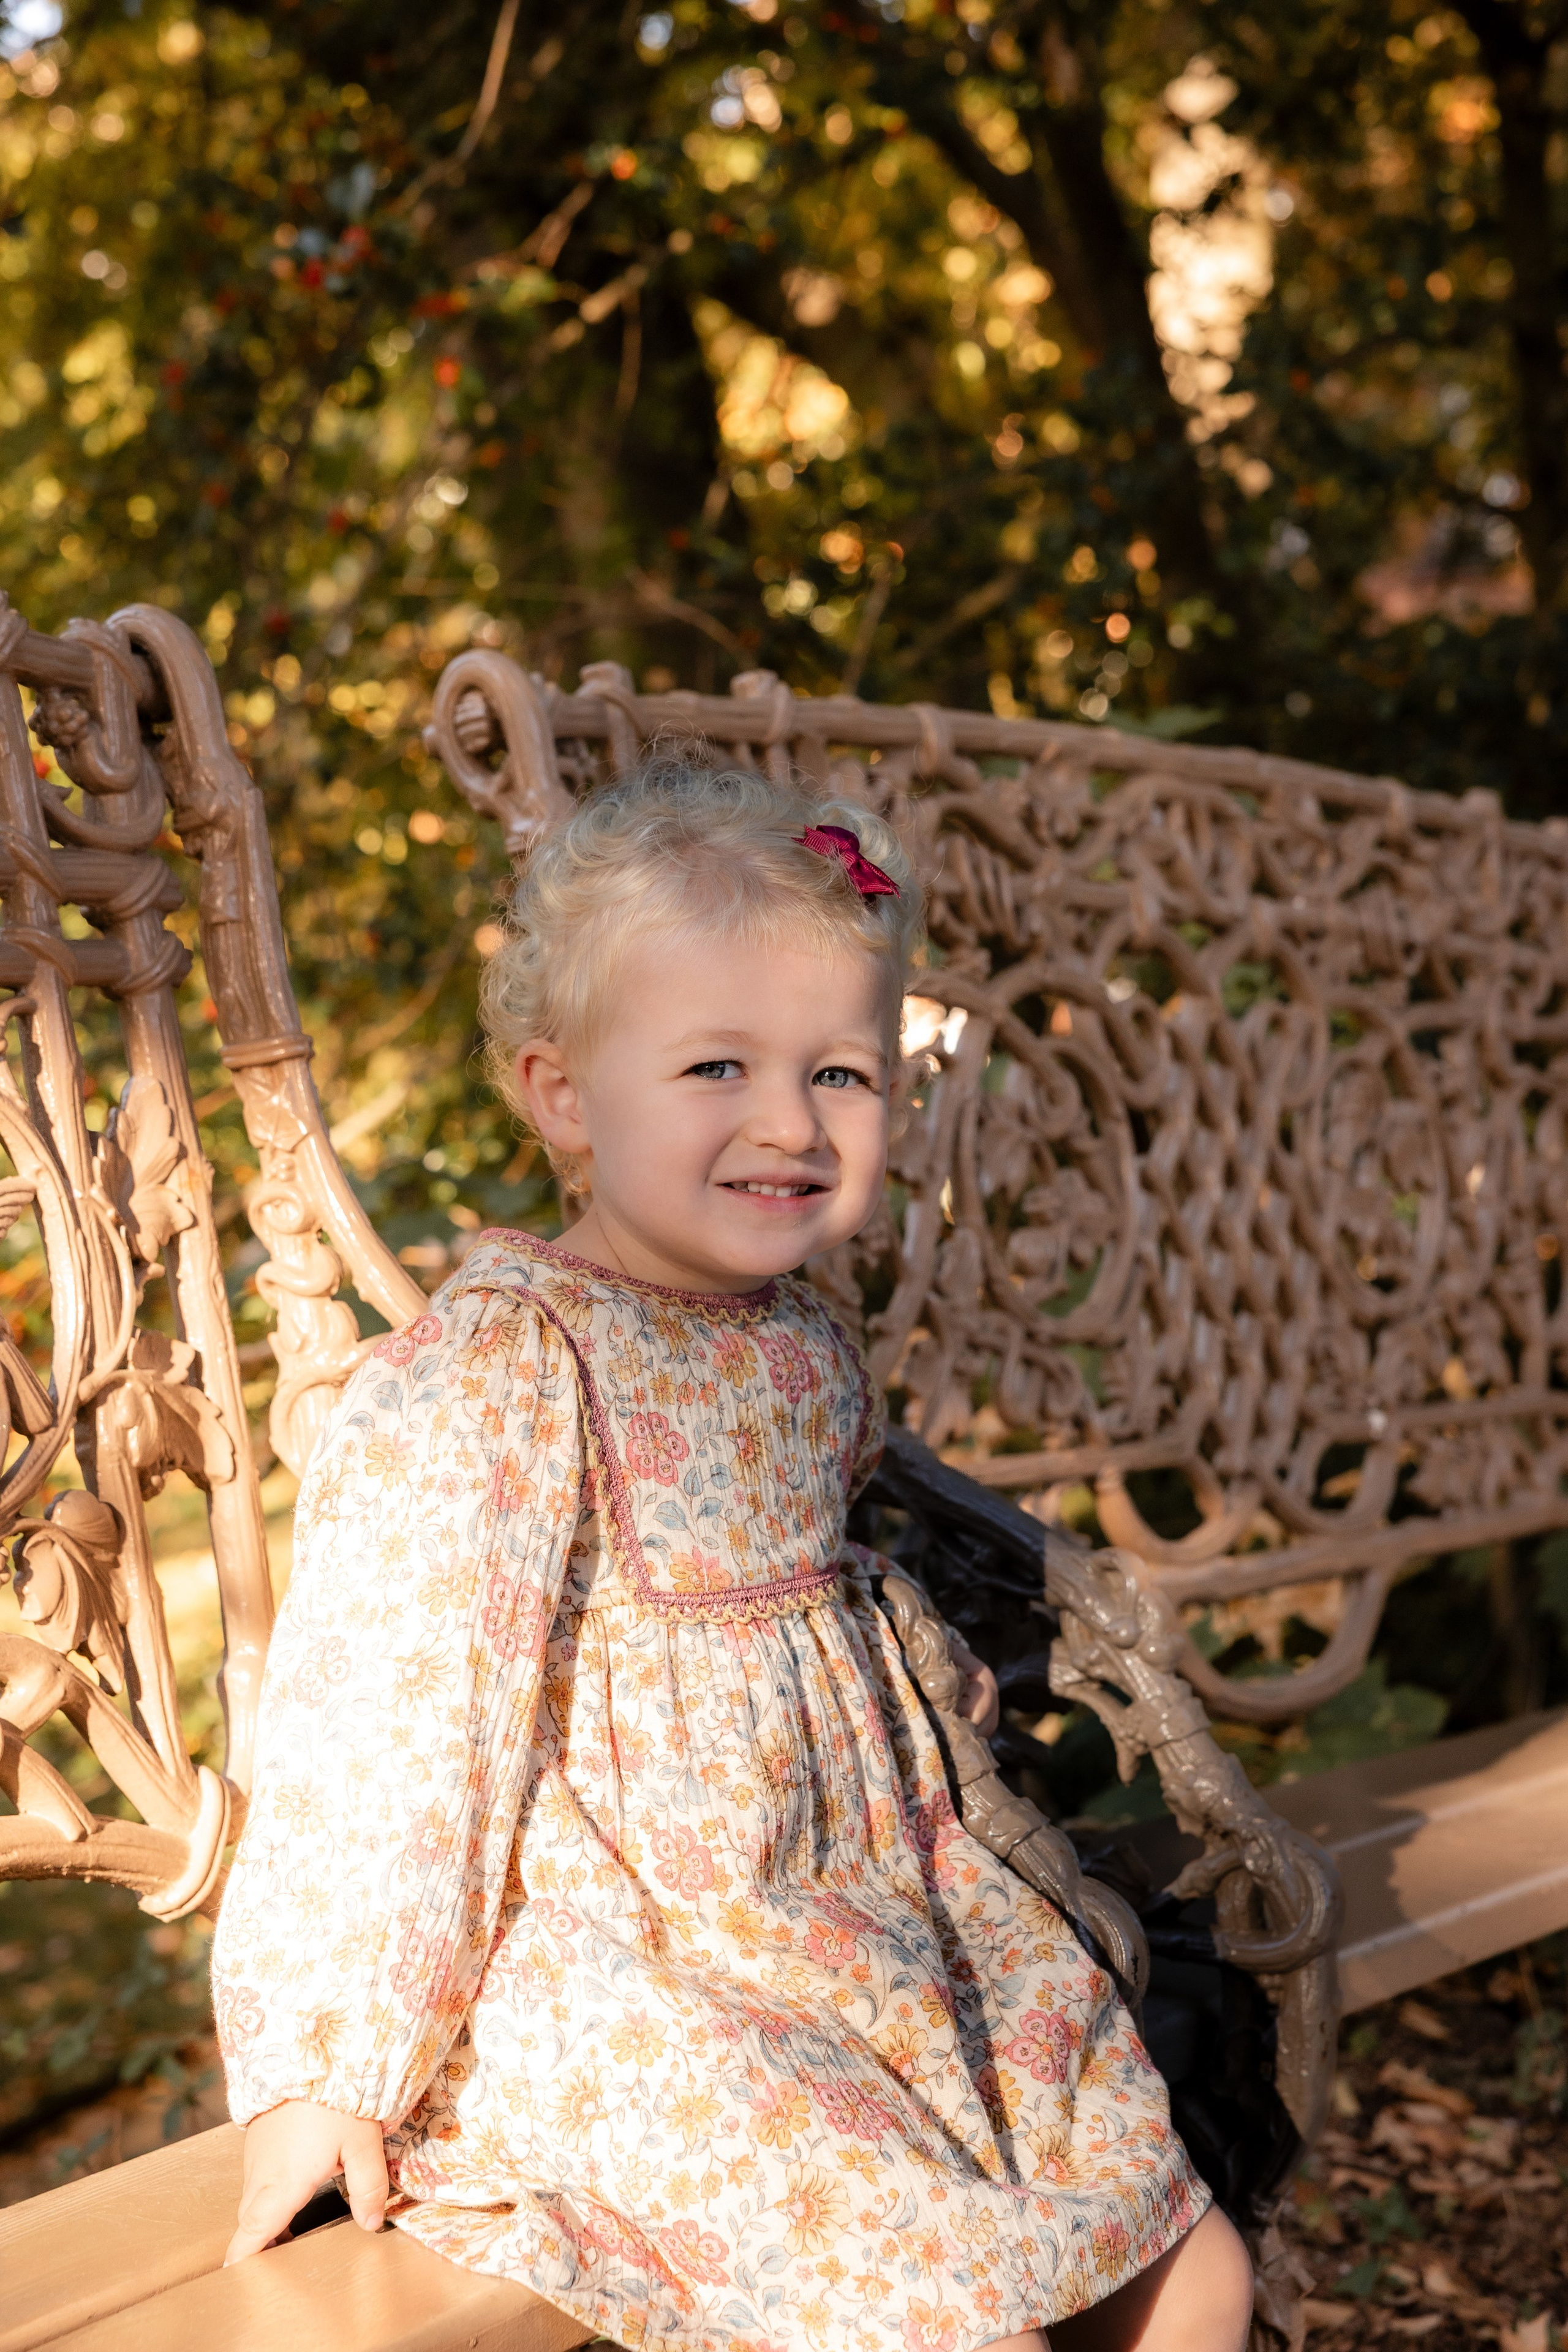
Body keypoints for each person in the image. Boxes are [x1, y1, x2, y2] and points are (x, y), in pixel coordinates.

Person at [212, 765, 1253, 2352]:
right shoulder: (504, 1373)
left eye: (838, 1072)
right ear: (562, 1095)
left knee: (1190, 2270)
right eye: (718, 1067)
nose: (790, 1123)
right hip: (634, 1976)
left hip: (880, 1918)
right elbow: (391, 1732)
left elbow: (816, 1591)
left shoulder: (796, 1343)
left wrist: (918, 1671)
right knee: (958, 2326)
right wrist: (330, 2068)